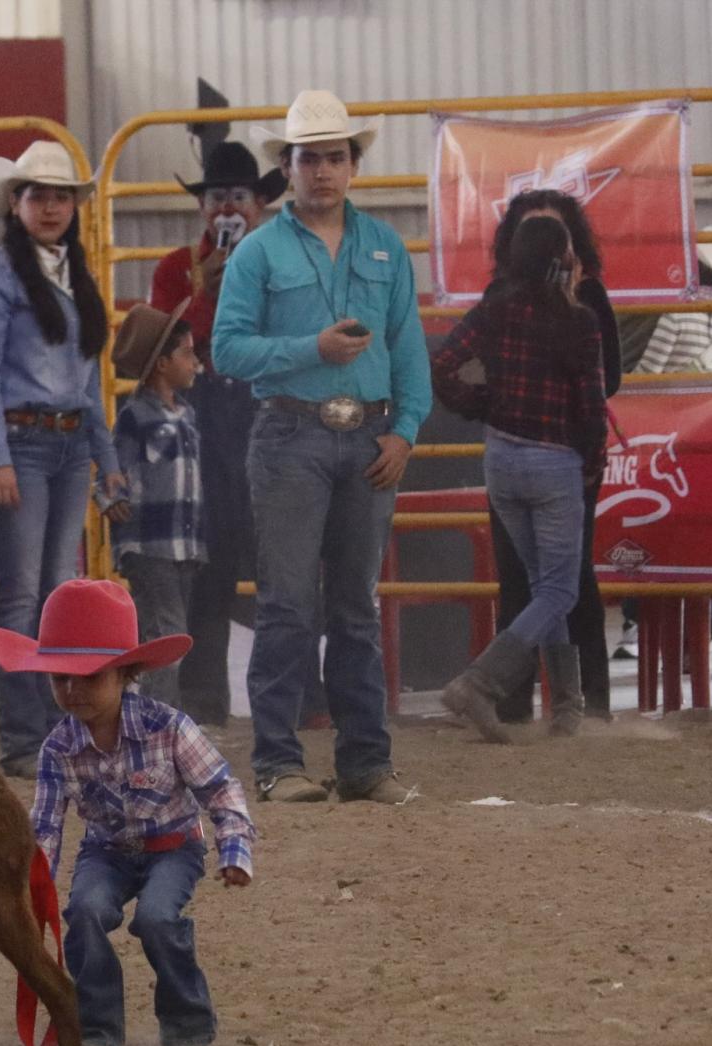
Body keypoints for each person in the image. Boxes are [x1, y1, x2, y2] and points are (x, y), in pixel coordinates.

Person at [212, 90, 432, 805]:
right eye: (310, 158)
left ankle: (365, 762)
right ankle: (279, 763)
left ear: (354, 165)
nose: (323, 171)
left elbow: (410, 350)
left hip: (367, 435)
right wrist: (313, 346)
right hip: (289, 434)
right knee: (287, 607)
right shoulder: (256, 251)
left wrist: (404, 429)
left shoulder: (386, 248)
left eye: (335, 157)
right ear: (289, 166)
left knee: (354, 608)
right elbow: (226, 350)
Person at [0, 578, 254, 1046]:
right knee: (84, 914)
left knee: (156, 919)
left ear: (125, 674)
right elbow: (44, 825)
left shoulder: (169, 728)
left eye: (88, 677)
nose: (71, 690)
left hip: (174, 846)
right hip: (104, 852)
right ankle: (97, 1031)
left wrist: (233, 848)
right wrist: (30, 882)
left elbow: (220, 789)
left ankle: (188, 1025)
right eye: (60, 678)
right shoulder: (57, 748)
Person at [0, 139, 128, 777]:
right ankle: (26, 738)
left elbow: (86, 383)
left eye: (61, 196)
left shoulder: (64, 277)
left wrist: (104, 456)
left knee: (54, 594)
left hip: (60, 443)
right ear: (18, 203)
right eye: (40, 195)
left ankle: (50, 733)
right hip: (21, 442)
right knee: (26, 593)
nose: (52, 206)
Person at [433, 216, 609, 740]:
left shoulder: (495, 310)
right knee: (559, 590)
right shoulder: (579, 321)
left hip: (502, 457)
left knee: (542, 585)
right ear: (561, 261)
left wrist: (481, 403)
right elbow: (593, 409)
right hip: (555, 463)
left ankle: (567, 710)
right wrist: (592, 461)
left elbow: (443, 363)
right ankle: (480, 682)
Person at [150, 140, 294, 726]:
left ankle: (294, 695)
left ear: (260, 204)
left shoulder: (284, 262)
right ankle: (205, 698)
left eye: (239, 196)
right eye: (217, 197)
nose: (227, 207)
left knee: (278, 559)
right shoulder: (173, 269)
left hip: (264, 405)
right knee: (206, 560)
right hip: (199, 409)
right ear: (202, 207)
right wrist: (200, 288)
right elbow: (156, 348)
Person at [483, 193, 622, 719]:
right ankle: (520, 703)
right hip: (556, 453)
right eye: (533, 230)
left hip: (556, 454)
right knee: (524, 577)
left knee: (572, 580)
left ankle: (587, 702)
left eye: (553, 231)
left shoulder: (590, 298)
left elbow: (611, 375)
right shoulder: (500, 297)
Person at [613, 235, 712, 658]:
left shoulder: (675, 314)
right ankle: (710, 621)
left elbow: (645, 377)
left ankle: (638, 625)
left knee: (644, 525)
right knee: (706, 535)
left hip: (666, 443)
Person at [109, 301, 203, 707]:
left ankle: (151, 717)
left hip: (181, 543)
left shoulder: (187, 414)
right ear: (163, 364)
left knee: (165, 634)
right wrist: (112, 497)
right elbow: (116, 468)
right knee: (167, 635)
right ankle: (157, 722)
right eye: (187, 353)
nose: (196, 362)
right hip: (149, 544)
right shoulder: (134, 416)